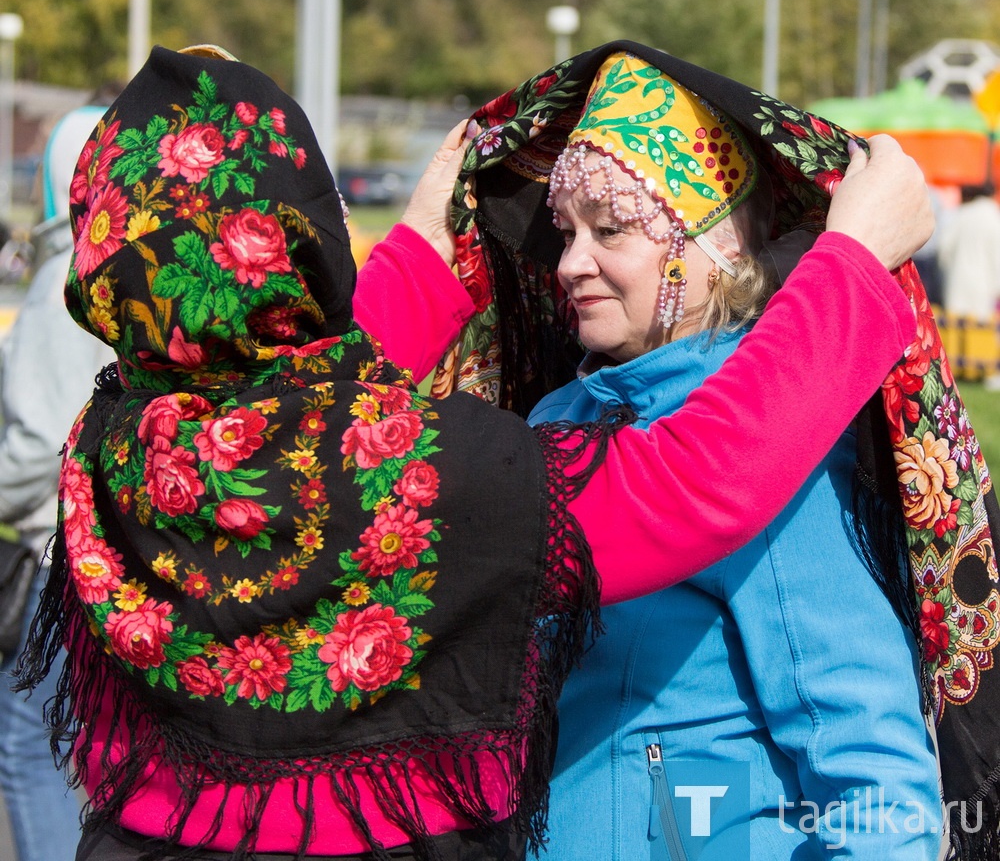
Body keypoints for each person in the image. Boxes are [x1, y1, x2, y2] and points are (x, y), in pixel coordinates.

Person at [15, 45, 933, 861]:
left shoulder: (113, 451)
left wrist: (418, 256)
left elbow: (301, 428)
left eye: (608, 228)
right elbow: (689, 482)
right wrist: (849, 263)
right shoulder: (462, 467)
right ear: (294, 245)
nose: (569, 262)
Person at [379, 43, 1000, 859]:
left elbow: (875, 780)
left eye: (613, 230)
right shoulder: (550, 423)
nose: (570, 264)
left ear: (722, 251)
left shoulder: (782, 453)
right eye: (566, 230)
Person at [0, 105, 113, 861]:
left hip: (51, 556)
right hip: (109, 552)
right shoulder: (123, 275)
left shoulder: (55, 282)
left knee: (25, 743)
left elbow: (36, 441)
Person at [937, 182, 1000, 386]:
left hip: (958, 276)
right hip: (985, 279)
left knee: (957, 324)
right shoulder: (993, 217)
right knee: (984, 326)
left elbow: (944, 248)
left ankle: (955, 371)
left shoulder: (961, 215)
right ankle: (987, 373)